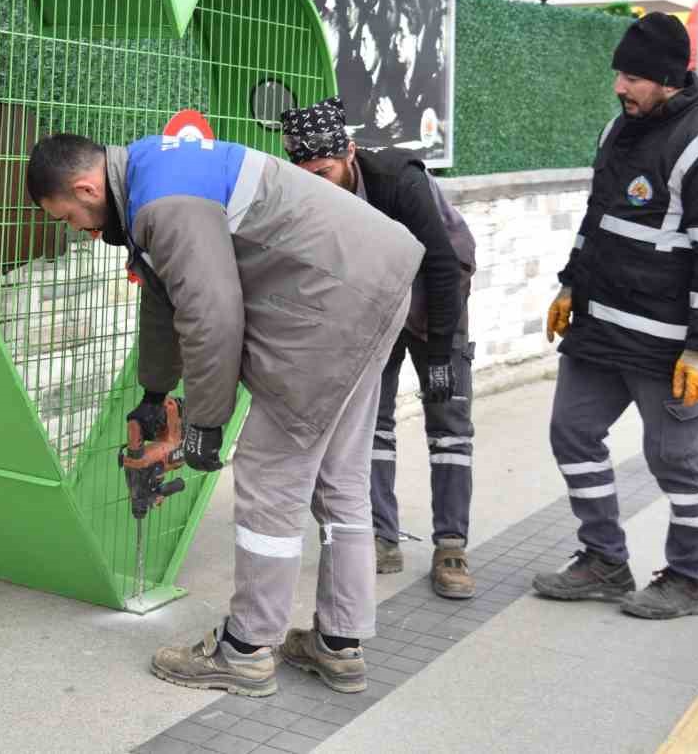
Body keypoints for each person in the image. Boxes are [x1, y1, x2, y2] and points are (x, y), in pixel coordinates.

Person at [27, 129, 423, 696]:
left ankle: (245, 649)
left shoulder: (162, 204)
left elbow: (211, 315)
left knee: (270, 477)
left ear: (87, 189)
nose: (77, 230)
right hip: (376, 281)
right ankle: (340, 643)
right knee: (340, 475)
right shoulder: (151, 171)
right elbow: (167, 295)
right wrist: (154, 392)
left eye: (68, 217)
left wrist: (205, 425)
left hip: (329, 304)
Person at [536, 12, 698, 620]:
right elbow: (597, 215)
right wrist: (570, 283)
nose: (619, 87)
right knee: (572, 433)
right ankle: (604, 559)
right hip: (600, 329)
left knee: (675, 461)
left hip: (666, 345)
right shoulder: (619, 129)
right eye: (618, 74)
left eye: (631, 77)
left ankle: (688, 579)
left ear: (667, 78)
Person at [278, 97, 479, 599]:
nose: (317, 185)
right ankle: (380, 536)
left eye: (324, 172)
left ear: (348, 152)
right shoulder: (309, 196)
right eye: (306, 176)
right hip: (376, 302)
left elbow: (442, 263)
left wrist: (440, 353)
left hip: (438, 298)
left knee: (448, 423)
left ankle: (451, 546)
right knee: (372, 421)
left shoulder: (398, 179)